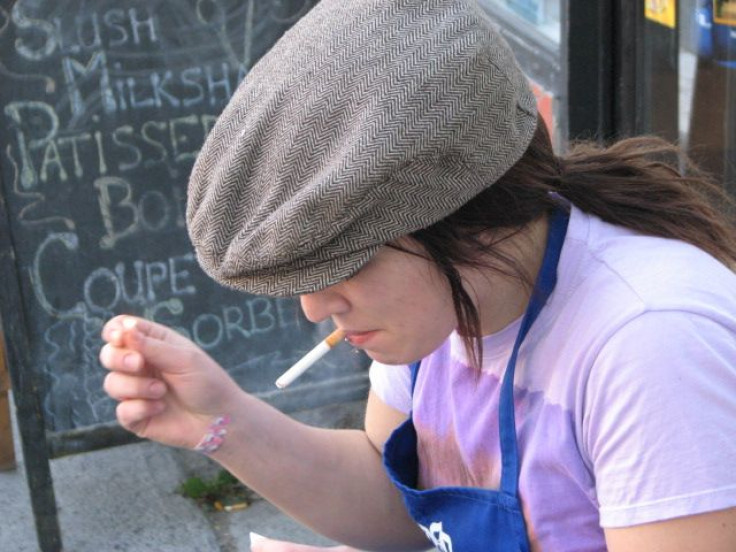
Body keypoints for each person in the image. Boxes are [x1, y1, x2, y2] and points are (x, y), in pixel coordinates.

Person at [99, 0, 736, 550]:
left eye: (345, 263)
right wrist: (223, 419)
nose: (314, 309)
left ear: (467, 217)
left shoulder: (649, 341)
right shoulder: (447, 301)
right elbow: (394, 496)